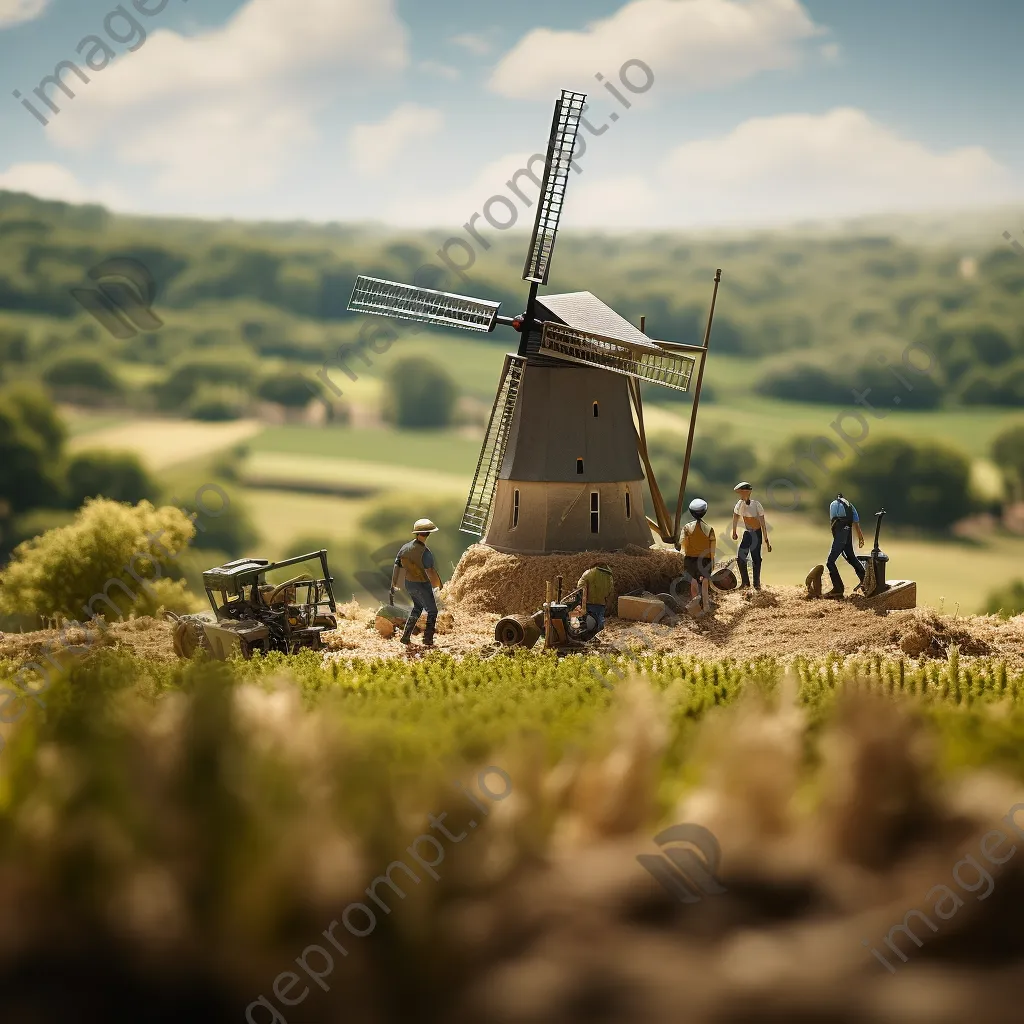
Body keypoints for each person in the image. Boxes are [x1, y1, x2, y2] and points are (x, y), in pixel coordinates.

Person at [391, 518, 443, 646]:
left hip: (409, 583)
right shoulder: (425, 552)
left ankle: (405, 637)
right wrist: (439, 584)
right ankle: (428, 639)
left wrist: (394, 583)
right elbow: (430, 571)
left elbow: (397, 566)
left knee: (417, 608)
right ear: (428, 534)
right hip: (422, 584)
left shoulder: (405, 548)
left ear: (416, 533)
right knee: (433, 611)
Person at [731, 481, 771, 589]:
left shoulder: (756, 505)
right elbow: (735, 517)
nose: (741, 495)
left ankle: (756, 584)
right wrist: (734, 531)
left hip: (756, 534)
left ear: (748, 492)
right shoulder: (739, 504)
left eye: (743, 492)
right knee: (740, 557)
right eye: (740, 493)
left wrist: (766, 540)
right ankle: (745, 583)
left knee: (756, 558)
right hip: (747, 533)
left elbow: (763, 523)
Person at [825, 493, 866, 598]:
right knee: (851, 557)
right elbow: (856, 521)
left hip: (841, 532)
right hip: (848, 531)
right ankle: (866, 582)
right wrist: (860, 536)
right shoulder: (849, 505)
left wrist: (837, 539)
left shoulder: (834, 504)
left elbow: (833, 523)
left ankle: (838, 589)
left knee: (830, 562)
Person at [681, 497, 716, 615]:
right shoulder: (710, 529)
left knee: (694, 582)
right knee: (705, 582)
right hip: (705, 560)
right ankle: (705, 606)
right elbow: (712, 548)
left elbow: (682, 543)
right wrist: (712, 562)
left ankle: (695, 607)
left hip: (691, 559)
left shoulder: (686, 528)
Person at [577, 562, 614, 633]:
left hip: (589, 601)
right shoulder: (609, 576)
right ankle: (599, 632)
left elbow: (580, 586)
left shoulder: (589, 573)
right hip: (602, 602)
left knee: (589, 619)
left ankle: (591, 635)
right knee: (600, 618)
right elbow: (611, 590)